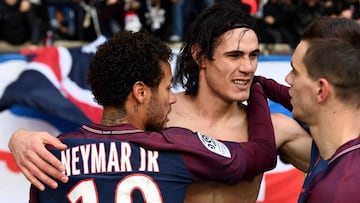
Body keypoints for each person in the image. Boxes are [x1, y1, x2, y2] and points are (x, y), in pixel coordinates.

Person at [8, 2, 312, 203]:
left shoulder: (275, 129)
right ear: (198, 56)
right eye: (235, 56)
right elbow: (101, 135)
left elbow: (347, 162)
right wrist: (20, 139)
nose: (248, 67)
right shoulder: (159, 114)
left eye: (254, 55)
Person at [255, 16, 360, 202]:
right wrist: (262, 84)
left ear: (321, 89)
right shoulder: (343, 143)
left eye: (295, 72)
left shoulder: (336, 192)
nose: (287, 79)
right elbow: (296, 97)